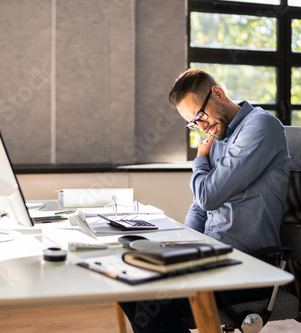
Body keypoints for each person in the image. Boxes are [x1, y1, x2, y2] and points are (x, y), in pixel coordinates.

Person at [118, 68, 290, 332]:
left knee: (156, 305)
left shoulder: (260, 126)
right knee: (128, 282)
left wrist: (199, 159)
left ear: (218, 93)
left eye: (200, 115)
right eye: (193, 122)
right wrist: (182, 247)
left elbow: (208, 195)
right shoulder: (220, 135)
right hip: (213, 255)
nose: (201, 127)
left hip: (250, 265)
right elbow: (200, 205)